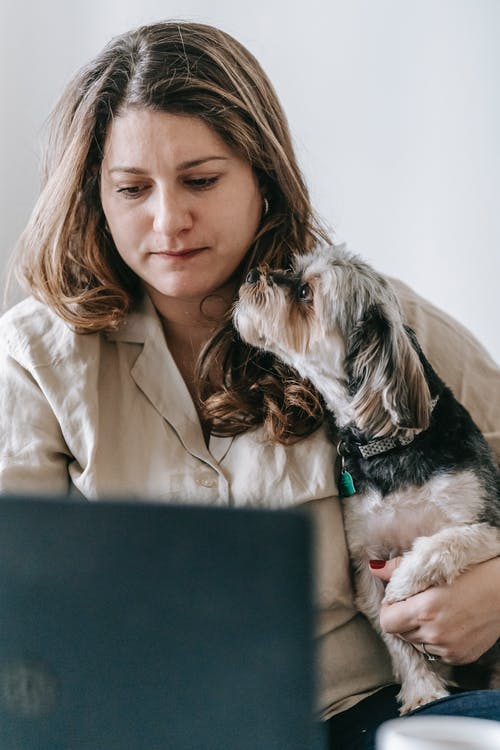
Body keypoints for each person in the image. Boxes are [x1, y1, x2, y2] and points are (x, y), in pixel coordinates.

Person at [1, 21, 499, 749]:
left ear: (262, 174)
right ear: (93, 198)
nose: (169, 220)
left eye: (201, 179)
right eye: (132, 189)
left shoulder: (376, 324)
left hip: (375, 714)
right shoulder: (34, 359)